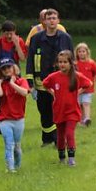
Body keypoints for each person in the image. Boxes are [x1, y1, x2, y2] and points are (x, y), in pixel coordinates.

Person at [25, 8, 74, 146]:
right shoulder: (36, 39)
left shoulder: (65, 38)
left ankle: (58, 139)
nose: (51, 21)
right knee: (44, 111)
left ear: (58, 21)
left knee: (59, 110)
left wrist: (73, 78)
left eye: (54, 18)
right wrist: (30, 81)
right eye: (49, 18)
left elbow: (72, 60)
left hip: (61, 81)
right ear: (44, 21)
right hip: (42, 82)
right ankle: (47, 139)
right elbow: (30, 60)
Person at [42, 50, 93, 166]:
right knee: (60, 136)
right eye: (60, 62)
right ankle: (61, 158)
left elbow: (89, 84)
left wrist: (78, 92)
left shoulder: (76, 76)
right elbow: (44, 84)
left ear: (71, 63)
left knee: (69, 134)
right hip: (59, 111)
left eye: (65, 62)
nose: (62, 64)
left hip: (72, 111)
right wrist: (52, 92)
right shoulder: (54, 77)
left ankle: (71, 159)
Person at [0, 57, 29, 173]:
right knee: (9, 144)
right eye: (3, 69)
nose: (6, 70)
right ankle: (10, 168)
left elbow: (24, 92)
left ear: (14, 68)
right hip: (5, 120)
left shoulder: (22, 81)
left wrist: (12, 83)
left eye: (9, 67)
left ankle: (17, 165)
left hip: (18, 119)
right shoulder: (1, 84)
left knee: (17, 146)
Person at [74, 42, 96, 126]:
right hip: (77, 89)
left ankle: (87, 118)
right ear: (77, 53)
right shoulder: (75, 64)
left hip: (88, 89)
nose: (81, 53)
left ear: (87, 52)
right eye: (79, 51)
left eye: (83, 51)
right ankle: (81, 119)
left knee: (86, 103)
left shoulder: (91, 63)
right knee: (79, 104)